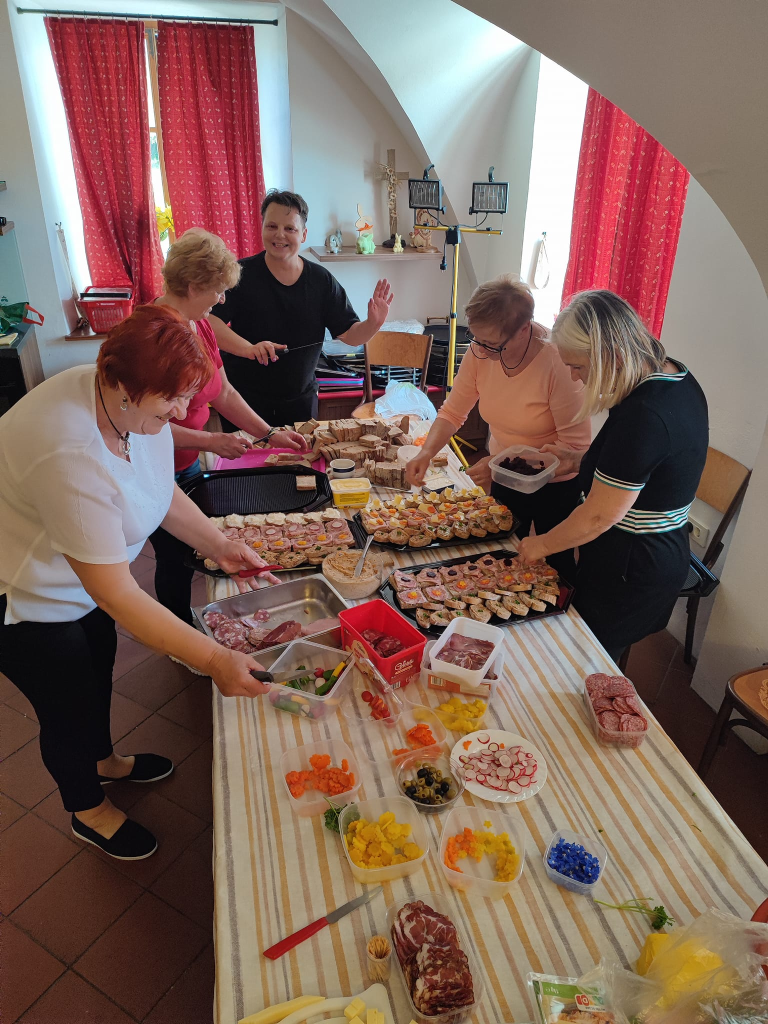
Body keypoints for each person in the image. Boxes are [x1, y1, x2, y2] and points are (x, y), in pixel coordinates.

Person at [0, 305, 275, 861]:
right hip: (25, 595)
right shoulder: (69, 451)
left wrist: (218, 544)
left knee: (96, 668)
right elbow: (117, 593)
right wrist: (214, 659)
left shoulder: (130, 405)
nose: (184, 413)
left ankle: (104, 760)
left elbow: (157, 487)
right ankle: (87, 808)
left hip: (79, 578)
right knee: (65, 702)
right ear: (123, 389)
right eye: (173, 401)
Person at [516, 290, 708, 662]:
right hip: (653, 555)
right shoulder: (673, 375)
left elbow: (599, 516)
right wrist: (579, 460)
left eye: (578, 366)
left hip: (633, 568)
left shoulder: (644, 416)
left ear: (612, 355)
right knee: (595, 656)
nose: (573, 376)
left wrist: (540, 545)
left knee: (589, 661)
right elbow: (642, 468)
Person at [150, 229, 308, 634]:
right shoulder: (153, 336)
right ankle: (177, 635)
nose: (222, 300)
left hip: (186, 463)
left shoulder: (198, 324)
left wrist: (268, 433)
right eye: (217, 290)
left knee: (194, 549)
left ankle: (191, 629)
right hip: (154, 467)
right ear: (192, 285)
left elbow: (224, 393)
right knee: (175, 558)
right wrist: (212, 441)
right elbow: (147, 430)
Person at [406, 276, 591, 574]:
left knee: (555, 567)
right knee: (502, 556)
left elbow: (574, 450)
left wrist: (501, 464)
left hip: (555, 483)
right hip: (504, 474)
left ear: (524, 329)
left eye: (492, 345)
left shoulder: (558, 362)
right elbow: (453, 412)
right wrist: (426, 452)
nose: (481, 352)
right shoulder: (481, 351)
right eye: (476, 339)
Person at [208, 189, 394, 425]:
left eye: (290, 228)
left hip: (300, 403)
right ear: (262, 227)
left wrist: (373, 324)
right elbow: (209, 321)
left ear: (304, 234)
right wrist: (248, 349)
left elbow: (350, 335)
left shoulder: (321, 280)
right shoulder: (239, 274)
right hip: (244, 403)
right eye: (272, 226)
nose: (279, 235)